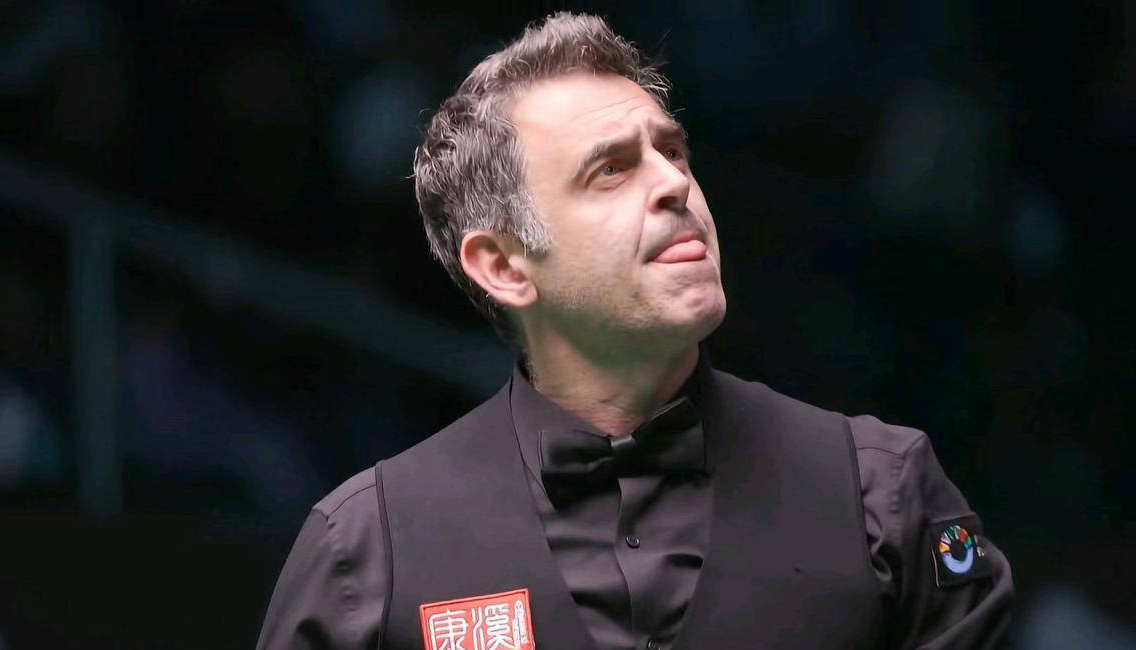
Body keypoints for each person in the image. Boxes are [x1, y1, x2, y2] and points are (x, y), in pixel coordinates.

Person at [256, 12, 1013, 650]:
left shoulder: (887, 495)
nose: (674, 183)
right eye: (611, 170)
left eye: (672, 151)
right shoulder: (366, 552)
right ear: (505, 266)